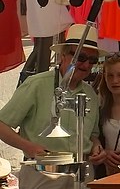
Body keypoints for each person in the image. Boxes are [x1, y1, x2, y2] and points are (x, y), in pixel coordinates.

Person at [0, 24, 100, 161]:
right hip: (43, 167)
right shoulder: (37, 84)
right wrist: (28, 147)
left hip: (82, 167)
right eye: (81, 57)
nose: (87, 64)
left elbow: (93, 135)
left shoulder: (91, 94)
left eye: (93, 60)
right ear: (63, 55)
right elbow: (2, 124)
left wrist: (96, 148)